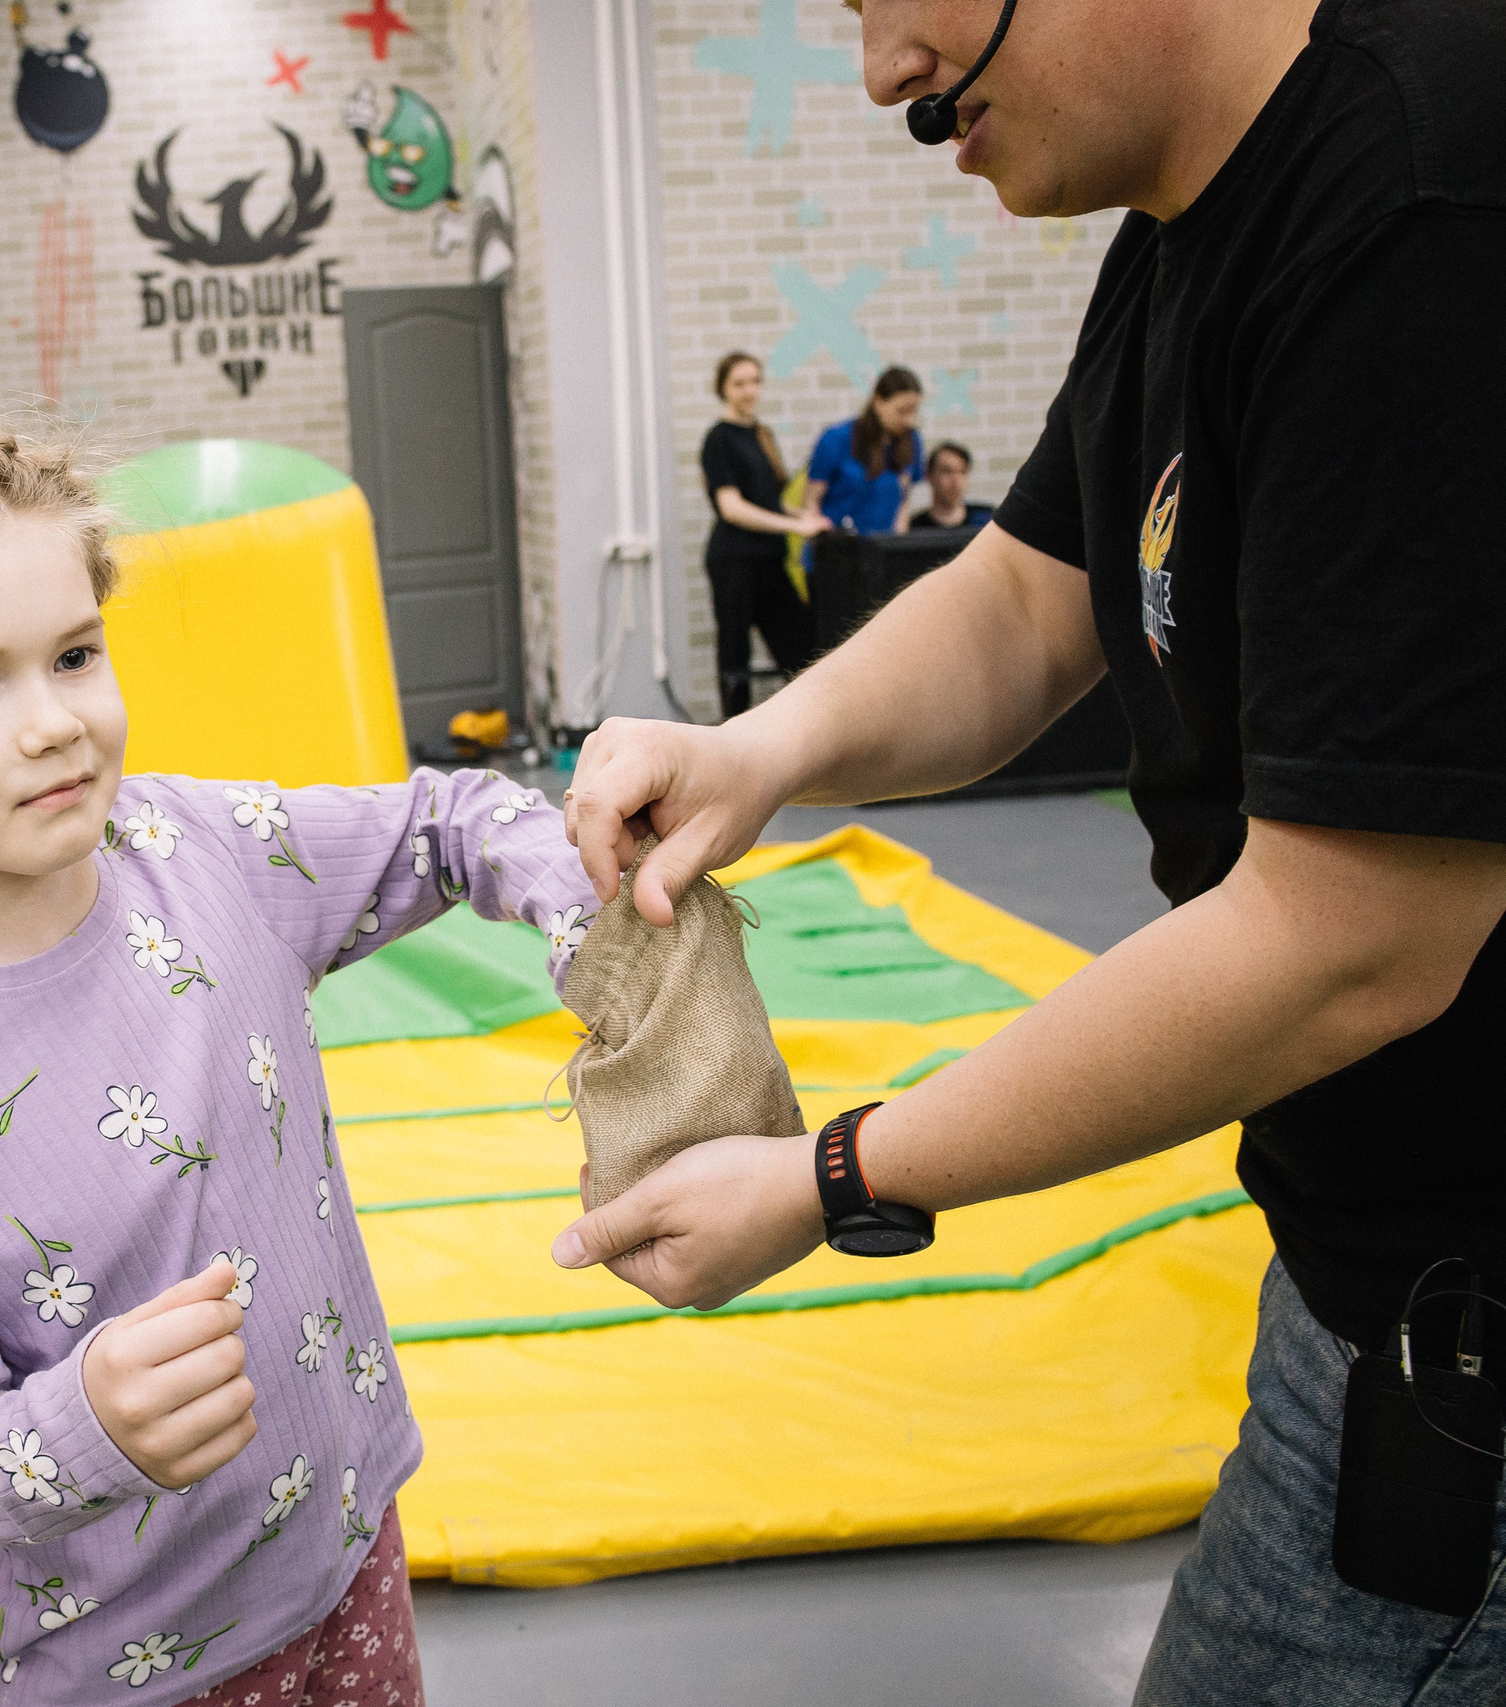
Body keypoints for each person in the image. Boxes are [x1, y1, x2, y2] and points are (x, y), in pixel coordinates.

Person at [553, 0, 1506, 1700]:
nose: (884, 74)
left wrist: (833, 1176)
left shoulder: (1419, 208)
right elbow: (1025, 597)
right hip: (1357, 1264)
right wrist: (761, 748)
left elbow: (1346, 934)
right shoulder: (1184, 208)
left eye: (883, 3)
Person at [0, 420, 598, 1707]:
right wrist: (82, 1425)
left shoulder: (200, 847)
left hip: (349, 1550)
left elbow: (444, 824)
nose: (51, 724)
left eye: (74, 656)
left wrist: (568, 896)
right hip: (135, 1667)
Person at [701, 351, 831, 716]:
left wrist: (807, 517)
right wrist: (795, 526)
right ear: (723, 389)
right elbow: (732, 507)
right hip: (735, 561)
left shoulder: (762, 435)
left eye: (755, 381)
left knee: (802, 648)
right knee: (735, 655)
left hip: (770, 559)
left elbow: (769, 501)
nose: (749, 390)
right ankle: (732, 737)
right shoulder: (719, 439)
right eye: (739, 383)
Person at [802, 366, 925, 540]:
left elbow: (903, 501)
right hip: (839, 546)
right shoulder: (836, 438)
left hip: (884, 548)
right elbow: (811, 501)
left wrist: (899, 544)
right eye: (901, 411)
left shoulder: (912, 441)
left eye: (913, 411)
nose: (908, 420)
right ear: (878, 401)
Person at [907, 440, 993, 531]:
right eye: (947, 471)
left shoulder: (986, 519)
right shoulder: (916, 528)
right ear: (929, 475)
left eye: (962, 472)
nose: (956, 480)